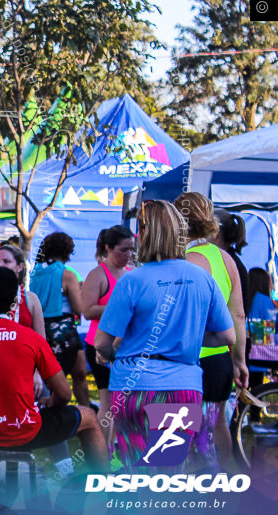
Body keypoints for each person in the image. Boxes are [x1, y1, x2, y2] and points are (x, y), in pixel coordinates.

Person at [95, 200, 235, 471]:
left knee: (134, 468)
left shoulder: (132, 280)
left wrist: (114, 354)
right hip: (183, 386)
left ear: (145, 234)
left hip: (134, 386)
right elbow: (227, 336)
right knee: (168, 470)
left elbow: (102, 342)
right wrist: (188, 338)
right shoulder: (202, 278)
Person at [0, 267, 108, 476]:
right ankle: (104, 487)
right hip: (25, 432)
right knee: (88, 417)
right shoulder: (31, 339)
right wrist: (51, 402)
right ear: (15, 302)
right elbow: (65, 394)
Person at [175, 192, 248, 471]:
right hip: (219, 358)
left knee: (180, 432)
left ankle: (188, 492)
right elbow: (238, 314)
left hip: (188, 361)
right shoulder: (225, 259)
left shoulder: (182, 259)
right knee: (217, 425)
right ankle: (227, 487)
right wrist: (239, 361)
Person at [80, 225, 134, 445]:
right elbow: (87, 310)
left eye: (132, 249)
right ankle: (104, 450)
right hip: (100, 345)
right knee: (109, 402)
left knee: (125, 401)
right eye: (124, 250)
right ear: (108, 248)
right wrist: (119, 307)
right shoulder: (98, 274)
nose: (129, 255)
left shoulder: (130, 273)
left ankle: (119, 446)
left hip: (127, 346)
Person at [29, 232, 90, 406]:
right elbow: (79, 308)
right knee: (76, 375)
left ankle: (53, 409)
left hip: (41, 329)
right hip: (64, 330)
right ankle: (82, 410)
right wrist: (82, 291)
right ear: (67, 252)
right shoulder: (67, 274)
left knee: (64, 373)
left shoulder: (35, 273)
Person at [245, 268, 277, 393]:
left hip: (241, 353)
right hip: (258, 356)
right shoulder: (264, 301)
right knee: (257, 395)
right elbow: (266, 334)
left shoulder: (244, 298)